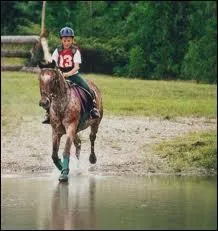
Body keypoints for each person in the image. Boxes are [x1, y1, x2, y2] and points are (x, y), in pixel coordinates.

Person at [42, 26, 100, 124]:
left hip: (73, 75)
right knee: (50, 90)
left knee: (87, 88)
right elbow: (53, 63)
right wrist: (57, 72)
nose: (67, 43)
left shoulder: (75, 51)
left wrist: (67, 74)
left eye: (69, 40)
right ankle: (48, 113)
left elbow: (76, 67)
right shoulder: (58, 50)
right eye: (64, 40)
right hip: (59, 75)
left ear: (72, 40)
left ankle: (93, 109)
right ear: (61, 40)